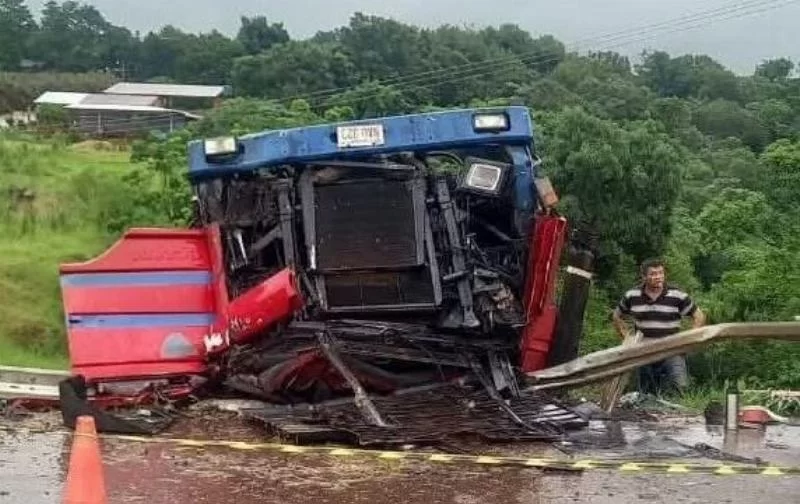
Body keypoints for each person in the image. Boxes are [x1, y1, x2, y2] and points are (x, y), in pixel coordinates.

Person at [612, 258, 706, 395]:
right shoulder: (632, 295)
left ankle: (678, 414)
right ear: (644, 276)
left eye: (661, 273)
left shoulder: (677, 295)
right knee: (644, 392)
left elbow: (699, 316)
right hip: (644, 351)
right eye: (653, 274)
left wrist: (689, 340)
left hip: (671, 350)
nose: (658, 277)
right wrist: (627, 337)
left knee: (681, 387)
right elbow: (616, 316)